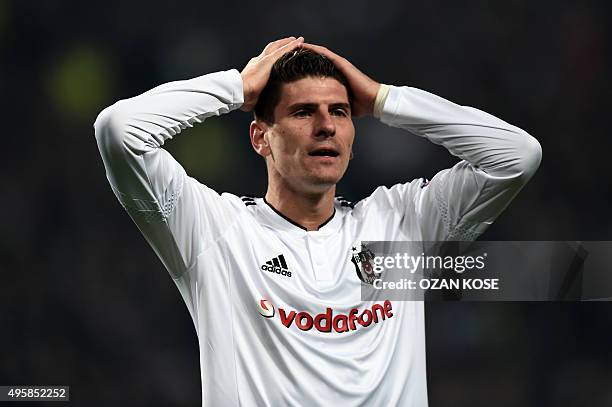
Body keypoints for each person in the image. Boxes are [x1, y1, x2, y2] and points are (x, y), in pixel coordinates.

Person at [94, 36, 541, 406]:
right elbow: (119, 130)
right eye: (303, 112)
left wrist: (385, 99)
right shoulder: (216, 231)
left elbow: (516, 158)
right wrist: (238, 87)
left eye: (341, 112)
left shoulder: (401, 226)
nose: (326, 126)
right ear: (260, 137)